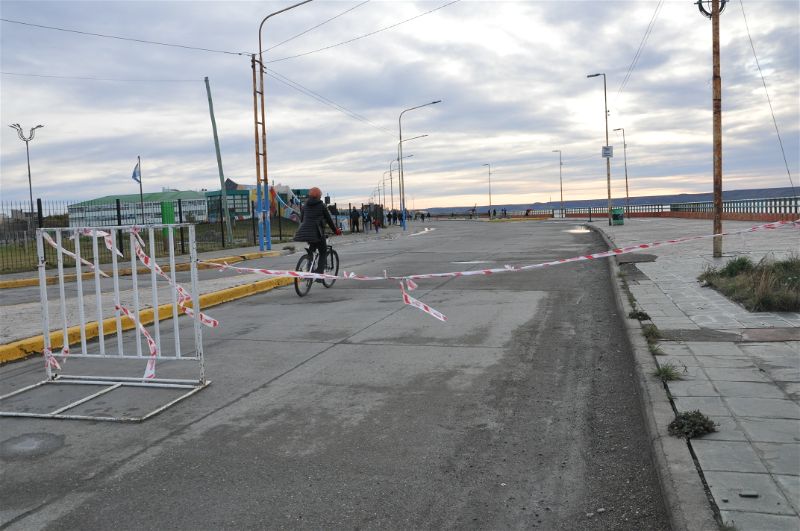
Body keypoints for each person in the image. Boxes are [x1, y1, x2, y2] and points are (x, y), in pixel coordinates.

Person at [293, 187, 341, 277]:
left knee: (312, 250)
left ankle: (309, 267)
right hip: (316, 233)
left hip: (304, 232)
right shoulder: (321, 206)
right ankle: (319, 275)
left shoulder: (305, 205)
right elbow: (329, 220)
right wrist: (336, 230)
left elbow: (302, 219)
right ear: (319, 196)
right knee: (323, 252)